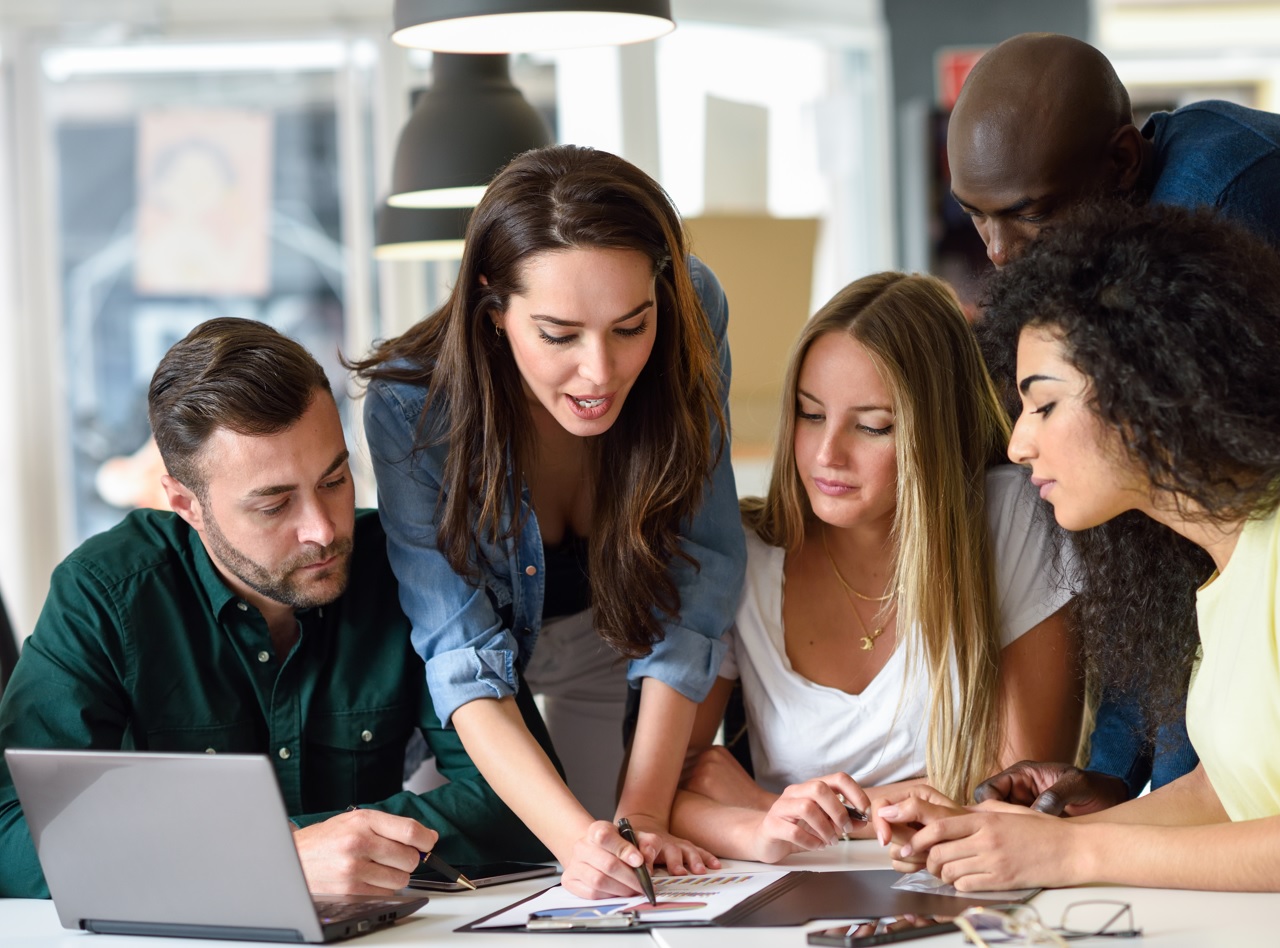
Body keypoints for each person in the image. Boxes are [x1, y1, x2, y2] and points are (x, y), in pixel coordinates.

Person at [874, 203, 1280, 906]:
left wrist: (1068, 849)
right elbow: (1228, 793)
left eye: (1042, 405)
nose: (1016, 444)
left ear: (1148, 386)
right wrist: (993, 833)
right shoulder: (1223, 565)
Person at [944, 31, 1280, 809]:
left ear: (1124, 163)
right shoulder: (1104, 251)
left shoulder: (1226, 202)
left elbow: (1203, 548)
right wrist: (1108, 773)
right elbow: (1150, 538)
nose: (999, 253)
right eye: (974, 217)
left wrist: (1146, 802)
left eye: (1028, 214)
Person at [0, 318, 547, 899]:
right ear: (186, 504)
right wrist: (265, 858)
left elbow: (524, 806)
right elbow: (13, 834)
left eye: (335, 480)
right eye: (274, 504)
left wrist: (317, 850)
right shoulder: (104, 594)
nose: (323, 529)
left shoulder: (403, 571)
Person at [351, 145, 745, 900]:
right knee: (509, 875)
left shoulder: (694, 309)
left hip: (620, 631)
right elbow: (462, 657)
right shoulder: (412, 404)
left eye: (631, 326)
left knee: (632, 869)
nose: (599, 372)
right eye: (559, 335)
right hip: (483, 682)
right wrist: (577, 844)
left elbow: (700, 570)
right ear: (493, 308)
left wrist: (642, 814)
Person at [668, 272, 1080, 863]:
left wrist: (768, 805)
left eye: (872, 426)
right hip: (791, 891)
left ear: (934, 433)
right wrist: (759, 827)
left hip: (962, 882)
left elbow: (1018, 791)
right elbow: (668, 794)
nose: (826, 454)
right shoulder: (745, 554)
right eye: (811, 415)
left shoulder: (1011, 518)